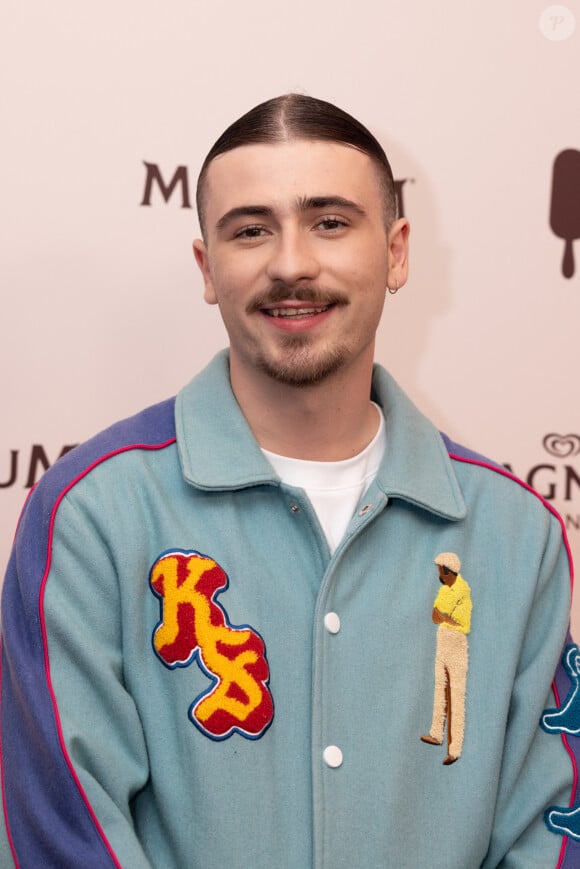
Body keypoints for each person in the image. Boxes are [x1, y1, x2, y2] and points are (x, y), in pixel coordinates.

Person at [1, 93, 578, 868]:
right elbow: (60, 832)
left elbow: (550, 833)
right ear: (208, 268)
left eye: (331, 221)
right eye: (250, 229)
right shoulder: (90, 513)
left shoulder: (517, 534)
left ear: (397, 252)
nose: (292, 263)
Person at [421, 551, 472, 765]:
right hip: (442, 640)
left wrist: (445, 616)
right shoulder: (444, 590)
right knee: (439, 689)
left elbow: (461, 621)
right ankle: (436, 733)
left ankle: (456, 749)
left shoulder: (462, 591)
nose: (438, 574)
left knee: (457, 695)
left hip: (457, 643)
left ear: (446, 570)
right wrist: (446, 616)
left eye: (440, 570)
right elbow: (436, 616)